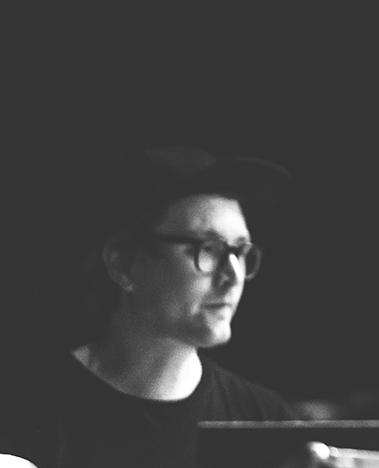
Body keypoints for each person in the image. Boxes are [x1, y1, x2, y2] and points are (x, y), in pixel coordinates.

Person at [0, 145, 296, 468]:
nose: (233, 275)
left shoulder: (263, 420)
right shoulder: (21, 407)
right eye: (208, 248)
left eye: (239, 251)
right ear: (124, 265)